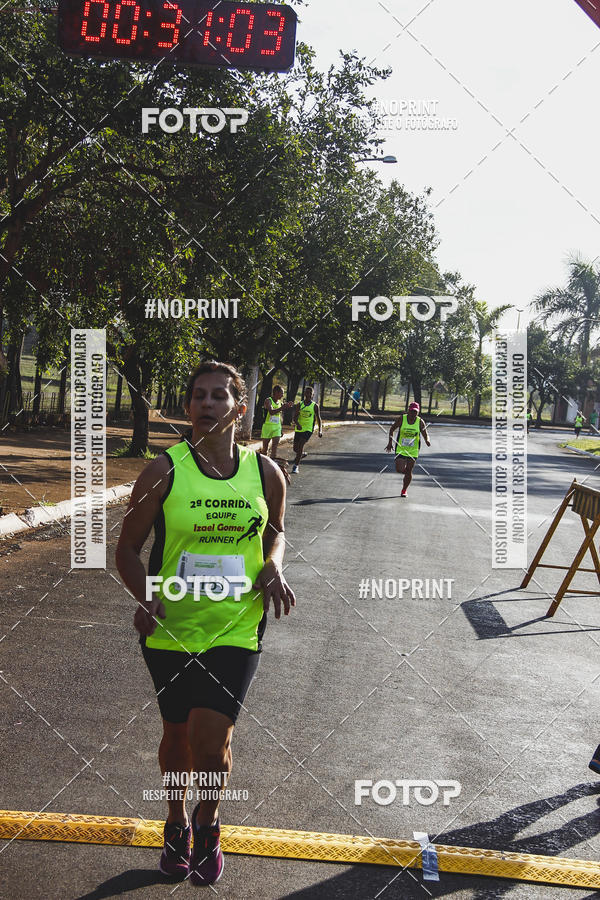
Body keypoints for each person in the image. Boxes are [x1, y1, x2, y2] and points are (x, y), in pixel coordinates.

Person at [115, 361, 295, 885]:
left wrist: (273, 565)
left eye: (220, 396)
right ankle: (175, 822)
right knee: (177, 736)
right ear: (189, 407)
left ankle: (208, 824)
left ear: (241, 409)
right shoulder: (164, 471)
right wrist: (145, 594)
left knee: (211, 741)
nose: (208, 404)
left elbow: (276, 533)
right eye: (199, 396)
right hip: (170, 628)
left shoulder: (265, 474)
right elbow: (127, 548)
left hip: (237, 626)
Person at [385, 401, 430, 497]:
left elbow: (425, 434)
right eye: (412, 411)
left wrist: (427, 440)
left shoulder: (420, 422)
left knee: (409, 470)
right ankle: (408, 474)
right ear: (408, 411)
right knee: (399, 469)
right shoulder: (402, 419)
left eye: (416, 412)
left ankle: (404, 490)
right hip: (401, 448)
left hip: (413, 450)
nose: (414, 413)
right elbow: (392, 429)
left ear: (418, 412)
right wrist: (390, 443)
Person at [291, 385, 322, 474]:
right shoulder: (299, 405)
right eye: (307, 392)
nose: (308, 394)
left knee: (301, 445)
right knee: (295, 449)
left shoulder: (315, 406)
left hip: (308, 429)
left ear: (312, 395)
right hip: (299, 428)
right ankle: (302, 454)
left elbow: (318, 418)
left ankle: (296, 467)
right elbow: (295, 418)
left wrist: (320, 430)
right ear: (304, 393)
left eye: (310, 393)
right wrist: (298, 424)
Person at [261, 384, 292, 458]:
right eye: (282, 393)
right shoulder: (268, 400)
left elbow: (280, 416)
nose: (282, 395)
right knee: (265, 448)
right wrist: (282, 408)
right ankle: (263, 463)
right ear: (276, 392)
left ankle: (272, 464)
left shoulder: (280, 403)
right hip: (267, 427)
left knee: (274, 447)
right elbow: (271, 412)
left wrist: (281, 428)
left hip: (277, 427)